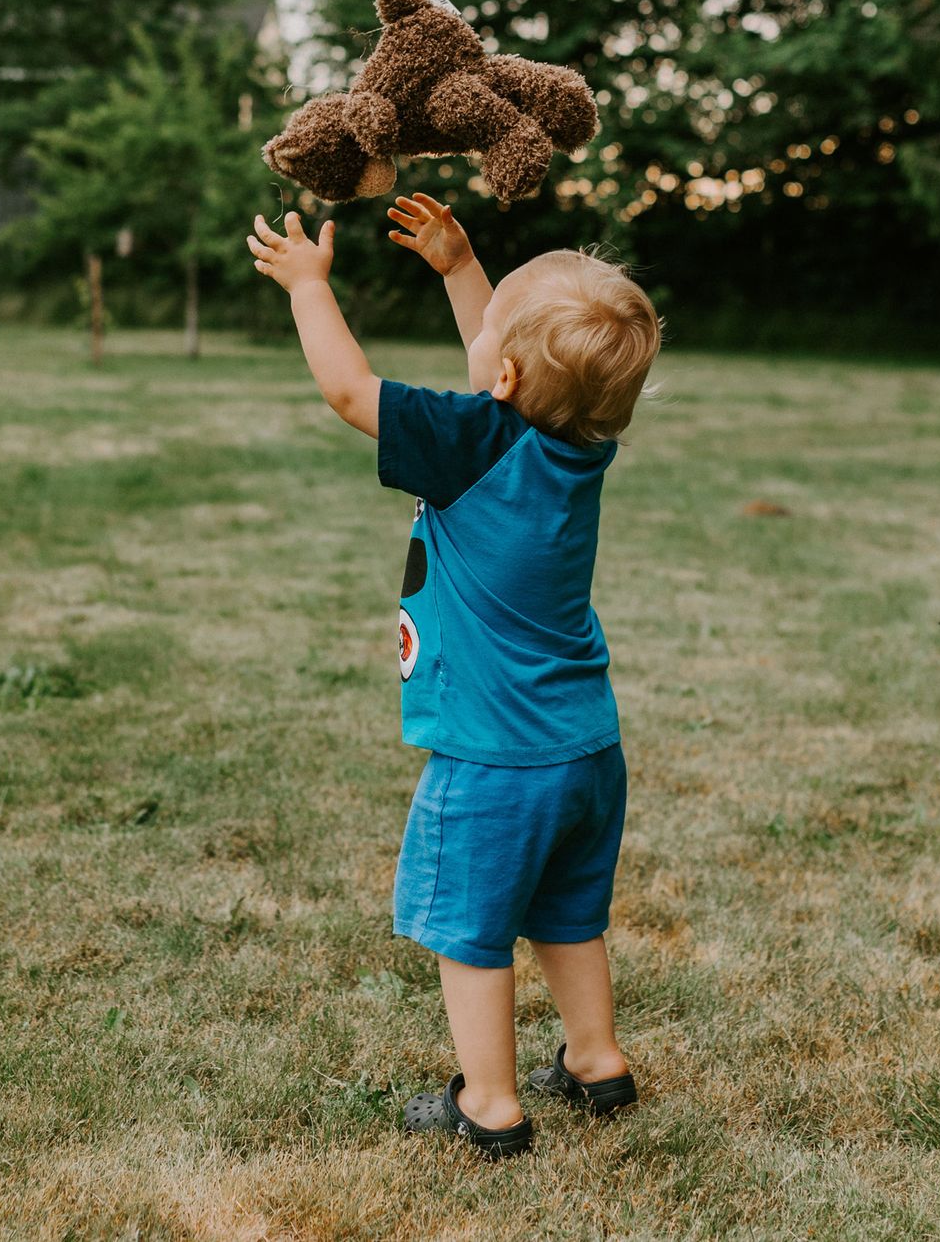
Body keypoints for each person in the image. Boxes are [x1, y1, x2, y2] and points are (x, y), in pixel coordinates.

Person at [246, 193, 662, 1159]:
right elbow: (511, 358)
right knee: (565, 912)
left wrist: (310, 286)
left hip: (495, 760)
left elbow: (353, 392)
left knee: (469, 931)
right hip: (585, 749)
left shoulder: (476, 440)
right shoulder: (578, 443)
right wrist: (459, 266)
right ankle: (596, 1061)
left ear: (505, 374)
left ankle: (488, 1102)